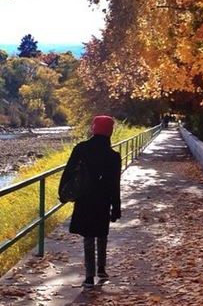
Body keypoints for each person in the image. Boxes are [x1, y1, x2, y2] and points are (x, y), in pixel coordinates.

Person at [58, 115, 122, 288]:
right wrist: (116, 207)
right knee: (102, 233)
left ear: (94, 128)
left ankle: (88, 277)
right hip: (103, 199)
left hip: (85, 198)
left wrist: (63, 193)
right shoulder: (113, 156)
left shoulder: (81, 148)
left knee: (88, 237)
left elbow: (69, 172)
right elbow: (115, 184)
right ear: (110, 131)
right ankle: (101, 269)